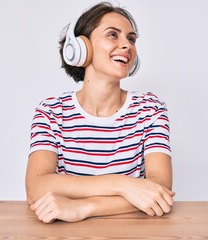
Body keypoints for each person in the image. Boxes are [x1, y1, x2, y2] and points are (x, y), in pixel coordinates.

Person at [25, 1, 175, 224]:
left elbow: (159, 191)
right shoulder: (51, 112)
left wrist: (84, 207)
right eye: (113, 35)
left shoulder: (150, 109)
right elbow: (36, 187)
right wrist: (124, 185)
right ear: (81, 47)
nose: (127, 45)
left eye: (131, 39)